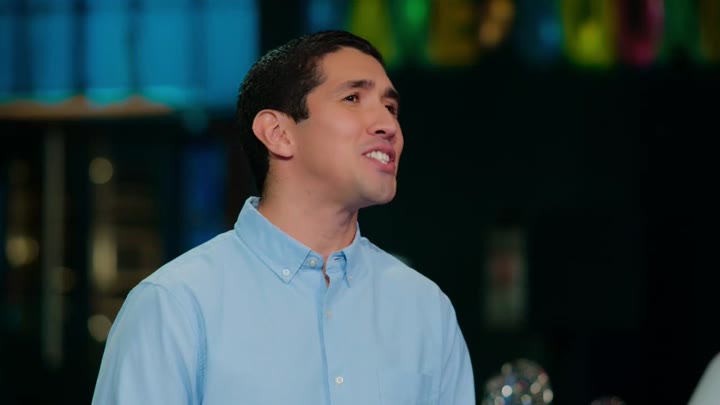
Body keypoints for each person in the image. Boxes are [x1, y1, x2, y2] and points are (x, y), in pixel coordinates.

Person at [92, 30, 475, 404]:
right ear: (278, 133)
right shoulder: (176, 305)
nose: (388, 125)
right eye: (353, 98)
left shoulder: (425, 309)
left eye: (390, 108)